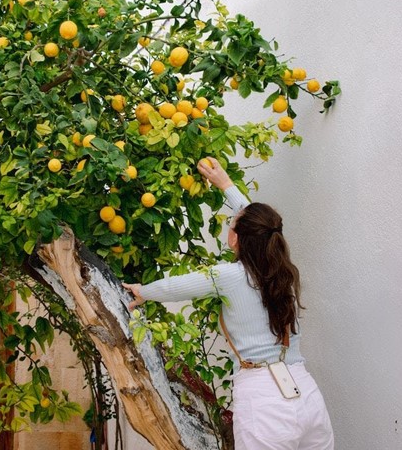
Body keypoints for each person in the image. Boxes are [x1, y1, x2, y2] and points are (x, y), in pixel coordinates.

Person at [123, 157, 334, 450]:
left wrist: (142, 291)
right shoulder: (283, 273)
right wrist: (226, 185)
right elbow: (258, 223)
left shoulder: (229, 276)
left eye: (231, 223)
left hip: (264, 402)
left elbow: (176, 286)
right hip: (306, 394)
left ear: (236, 239)